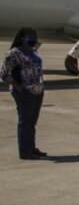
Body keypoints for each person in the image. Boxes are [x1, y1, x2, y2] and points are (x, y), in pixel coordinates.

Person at [1, 28, 46, 159]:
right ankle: (25, 152)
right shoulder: (14, 53)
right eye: (30, 36)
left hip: (37, 90)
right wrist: (17, 86)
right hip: (24, 91)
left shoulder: (34, 52)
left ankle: (31, 147)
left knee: (32, 121)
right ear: (21, 38)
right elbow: (4, 72)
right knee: (25, 121)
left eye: (35, 36)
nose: (33, 39)